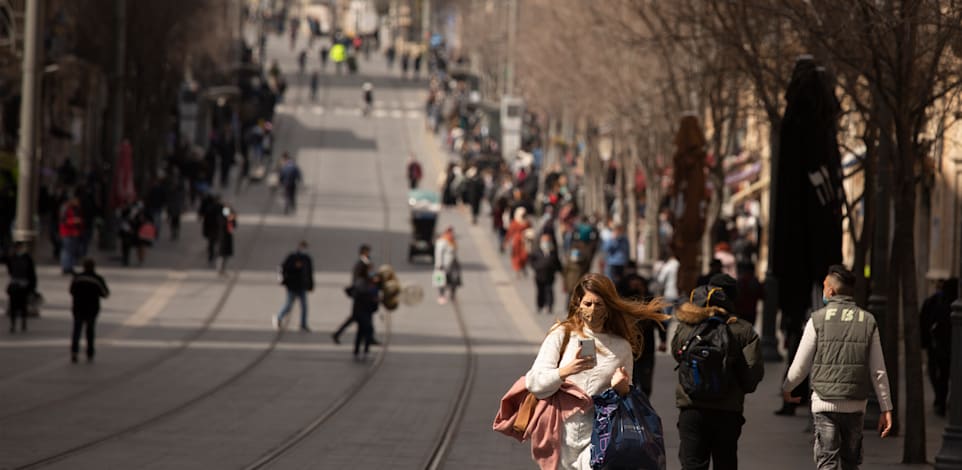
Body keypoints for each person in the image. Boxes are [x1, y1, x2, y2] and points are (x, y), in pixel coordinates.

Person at [525, 273, 669, 469]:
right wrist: (565, 371)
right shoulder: (562, 334)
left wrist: (623, 388)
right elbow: (534, 382)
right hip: (560, 434)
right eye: (588, 303)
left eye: (599, 304)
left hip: (599, 435)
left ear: (608, 307)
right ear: (578, 303)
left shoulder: (621, 346)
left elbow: (628, 396)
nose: (593, 310)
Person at [782, 265, 894, 469]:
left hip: (824, 402)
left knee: (827, 462)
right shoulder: (868, 321)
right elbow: (878, 370)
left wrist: (788, 388)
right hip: (855, 404)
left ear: (831, 291)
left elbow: (800, 365)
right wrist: (886, 407)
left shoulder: (817, 319)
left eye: (825, 286)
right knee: (851, 463)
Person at [672, 278, 765, 470]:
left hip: (692, 407)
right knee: (726, 462)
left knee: (692, 464)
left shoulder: (686, 328)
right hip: (727, 411)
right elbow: (752, 376)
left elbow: (676, 354)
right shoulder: (743, 330)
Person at [617, 271, 667, 396]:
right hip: (627, 349)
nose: (636, 287)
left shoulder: (650, 302)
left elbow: (660, 321)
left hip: (647, 348)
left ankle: (643, 404)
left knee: (645, 384)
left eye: (639, 285)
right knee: (629, 382)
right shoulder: (622, 303)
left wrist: (663, 340)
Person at [921, 278, 957, 417]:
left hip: (938, 346)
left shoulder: (935, 301)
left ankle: (941, 400)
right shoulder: (936, 302)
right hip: (940, 346)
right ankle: (942, 400)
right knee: (943, 375)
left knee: (940, 375)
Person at [333, 244, 379, 344]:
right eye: (367, 252)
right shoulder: (362, 264)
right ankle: (368, 338)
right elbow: (361, 279)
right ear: (362, 252)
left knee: (361, 317)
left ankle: (369, 337)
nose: (368, 254)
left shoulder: (364, 263)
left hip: (363, 294)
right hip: (361, 295)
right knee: (359, 317)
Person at [69, 258, 109, 362]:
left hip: (78, 307)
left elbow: (71, 291)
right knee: (90, 330)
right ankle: (90, 352)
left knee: (77, 330)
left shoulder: (78, 278)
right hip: (92, 308)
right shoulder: (97, 279)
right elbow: (105, 293)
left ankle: (74, 351)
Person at [273, 240, 315, 332]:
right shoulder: (292, 257)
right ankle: (278, 317)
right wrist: (294, 267)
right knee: (288, 305)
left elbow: (309, 273)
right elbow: (284, 268)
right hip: (292, 286)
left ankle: (303, 324)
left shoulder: (307, 259)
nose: (304, 250)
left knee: (304, 306)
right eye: (303, 247)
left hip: (302, 286)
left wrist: (311, 285)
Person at [4, 241, 37, 333]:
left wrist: (32, 287)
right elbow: (7, 264)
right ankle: (13, 324)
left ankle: (23, 323)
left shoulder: (27, 258)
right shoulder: (12, 257)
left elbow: (32, 273)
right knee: (13, 306)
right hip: (14, 285)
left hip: (24, 285)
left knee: (23, 306)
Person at [351, 259, 380, 360]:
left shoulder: (371, 281)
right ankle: (363, 350)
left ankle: (359, 350)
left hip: (367, 310)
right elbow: (362, 294)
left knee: (362, 330)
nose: (372, 270)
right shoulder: (361, 281)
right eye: (370, 269)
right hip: (361, 310)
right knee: (368, 329)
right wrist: (372, 297)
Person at [528, 233, 562, 315]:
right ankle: (540, 306)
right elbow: (531, 261)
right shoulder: (537, 252)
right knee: (540, 291)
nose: (546, 243)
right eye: (544, 241)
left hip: (550, 276)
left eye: (547, 241)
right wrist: (537, 267)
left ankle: (549, 306)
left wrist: (560, 271)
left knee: (549, 291)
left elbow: (558, 264)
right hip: (539, 276)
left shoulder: (553, 252)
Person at [434, 226, 460, 304]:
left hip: (453, 263)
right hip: (443, 264)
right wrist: (439, 264)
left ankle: (452, 295)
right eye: (449, 232)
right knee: (440, 280)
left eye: (452, 232)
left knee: (454, 280)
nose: (451, 234)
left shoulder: (452, 241)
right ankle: (441, 295)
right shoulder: (441, 241)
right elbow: (438, 254)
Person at [58, 196, 84, 274]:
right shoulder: (65, 208)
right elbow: (63, 220)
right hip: (67, 232)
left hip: (73, 232)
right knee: (66, 250)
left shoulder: (75, 209)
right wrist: (73, 221)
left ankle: (70, 266)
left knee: (72, 251)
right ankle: (66, 267)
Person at [504, 207, 530, 279]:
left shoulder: (527, 222)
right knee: (516, 256)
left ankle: (523, 267)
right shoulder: (514, 222)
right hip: (516, 242)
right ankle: (517, 270)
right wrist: (506, 242)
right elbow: (509, 233)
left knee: (524, 256)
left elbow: (530, 230)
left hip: (525, 242)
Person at [199, 194, 223, 267]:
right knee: (215, 241)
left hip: (211, 228)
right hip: (217, 227)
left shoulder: (210, 208)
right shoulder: (221, 207)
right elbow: (228, 216)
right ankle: (213, 253)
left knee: (212, 241)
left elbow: (205, 218)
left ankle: (211, 254)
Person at [217, 204, 237, 275]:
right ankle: (220, 269)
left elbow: (234, 226)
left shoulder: (230, 217)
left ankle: (223, 269)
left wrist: (232, 218)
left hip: (228, 238)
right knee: (222, 255)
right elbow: (222, 225)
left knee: (226, 255)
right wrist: (229, 219)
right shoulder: (221, 216)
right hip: (222, 238)